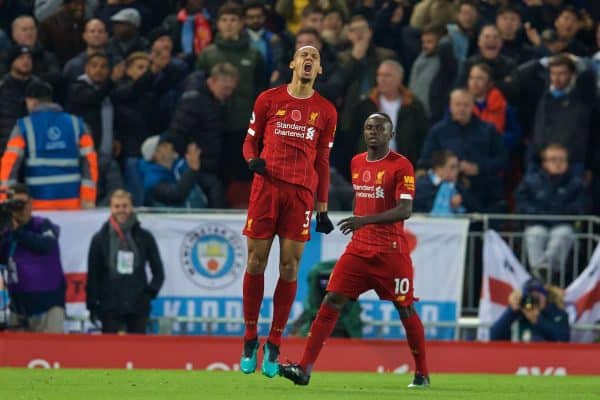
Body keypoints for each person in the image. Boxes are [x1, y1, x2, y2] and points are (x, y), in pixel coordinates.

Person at [279, 113, 429, 388]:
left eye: (379, 128)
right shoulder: (356, 162)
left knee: (405, 309)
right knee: (330, 300)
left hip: (390, 252)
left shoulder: (401, 166)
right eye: (368, 127)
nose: (373, 132)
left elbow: (405, 210)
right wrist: (361, 222)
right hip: (359, 249)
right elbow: (365, 200)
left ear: (390, 134)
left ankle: (422, 373)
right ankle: (304, 369)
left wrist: (364, 221)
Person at [240, 44, 337, 378]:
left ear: (319, 70)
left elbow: (322, 162)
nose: (309, 60)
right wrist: (251, 160)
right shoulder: (268, 99)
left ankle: (276, 341)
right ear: (293, 63)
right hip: (266, 187)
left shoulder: (326, 112)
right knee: (256, 261)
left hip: (301, 194)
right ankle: (250, 337)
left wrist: (322, 208)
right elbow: (250, 140)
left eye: (315, 58)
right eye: (304, 55)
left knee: (290, 266)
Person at [0, 80, 98, 210]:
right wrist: (88, 198)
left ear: (33, 102)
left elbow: (9, 165)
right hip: (73, 202)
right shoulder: (77, 124)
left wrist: (5, 200)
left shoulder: (23, 126)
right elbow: (90, 162)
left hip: (37, 203)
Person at [86, 189, 165, 334]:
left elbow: (158, 271)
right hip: (109, 305)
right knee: (110, 352)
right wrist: (92, 304)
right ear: (111, 208)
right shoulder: (100, 239)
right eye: (117, 206)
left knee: (138, 352)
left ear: (131, 207)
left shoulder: (144, 237)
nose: (121, 210)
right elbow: (93, 274)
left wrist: (148, 294)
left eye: (125, 206)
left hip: (137, 305)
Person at [515, 143, 587, 281]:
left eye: (562, 159)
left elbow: (580, 207)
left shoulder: (576, 183)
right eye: (553, 159)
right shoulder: (530, 181)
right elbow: (522, 204)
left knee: (562, 234)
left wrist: (550, 217)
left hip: (564, 226)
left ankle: (543, 273)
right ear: (544, 163)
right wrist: (546, 217)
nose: (558, 163)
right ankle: (543, 274)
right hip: (537, 224)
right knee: (536, 233)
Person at [0, 184, 66, 333]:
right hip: (18, 310)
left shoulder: (43, 225)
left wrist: (17, 231)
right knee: (15, 356)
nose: (20, 208)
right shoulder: (7, 232)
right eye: (15, 204)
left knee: (51, 354)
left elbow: (46, 245)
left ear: (31, 203)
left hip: (48, 309)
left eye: (22, 203)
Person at [490, 278, 570, 342]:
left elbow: (563, 339)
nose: (534, 300)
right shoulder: (518, 314)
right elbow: (494, 336)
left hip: (549, 360)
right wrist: (511, 311)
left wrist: (538, 320)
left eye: (537, 296)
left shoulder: (558, 314)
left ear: (545, 296)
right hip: (520, 358)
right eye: (530, 296)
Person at [138, 134, 206, 208]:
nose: (171, 146)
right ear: (155, 155)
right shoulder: (152, 180)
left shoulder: (179, 168)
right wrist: (192, 170)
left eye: (169, 144)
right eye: (164, 146)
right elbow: (175, 196)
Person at [414, 149, 479, 215]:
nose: (457, 171)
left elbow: (476, 208)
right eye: (452, 167)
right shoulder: (421, 186)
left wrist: (461, 201)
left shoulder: (459, 186)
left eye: (457, 167)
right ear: (439, 169)